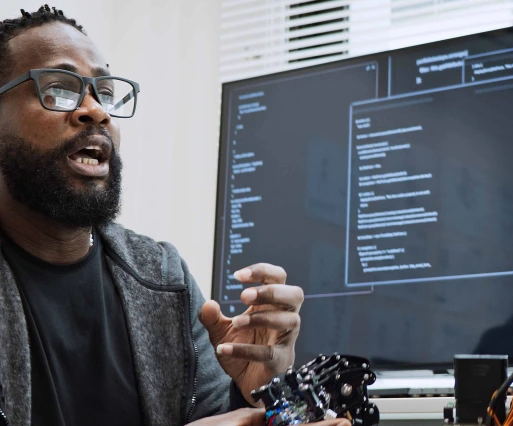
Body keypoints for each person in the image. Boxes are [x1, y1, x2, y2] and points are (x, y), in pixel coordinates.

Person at [0, 5, 350, 426]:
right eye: (58, 88)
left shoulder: (164, 278)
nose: (97, 111)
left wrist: (252, 394)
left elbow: (219, 418)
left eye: (104, 92)